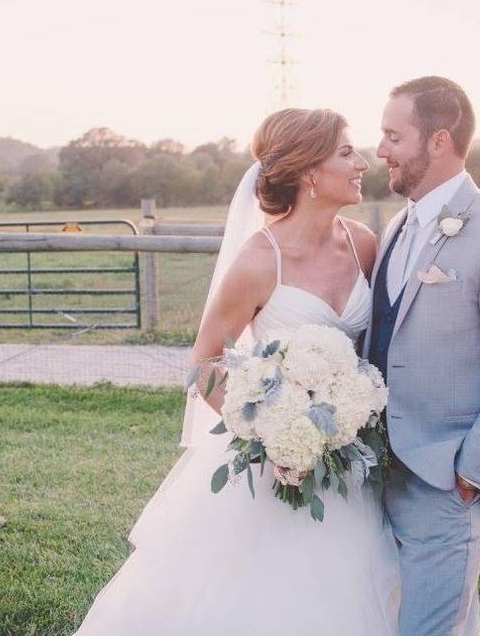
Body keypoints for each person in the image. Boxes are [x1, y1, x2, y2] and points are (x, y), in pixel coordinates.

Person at [72, 108, 401, 635]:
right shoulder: (258, 260)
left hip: (346, 459)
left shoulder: (362, 243)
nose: (363, 162)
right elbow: (202, 365)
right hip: (275, 464)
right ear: (309, 171)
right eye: (346, 152)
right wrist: (273, 435)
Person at [363, 76, 480, 636]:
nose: (380, 150)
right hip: (384, 469)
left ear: (439, 141)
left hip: (447, 478)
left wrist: (473, 471)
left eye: (393, 136)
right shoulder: (400, 224)